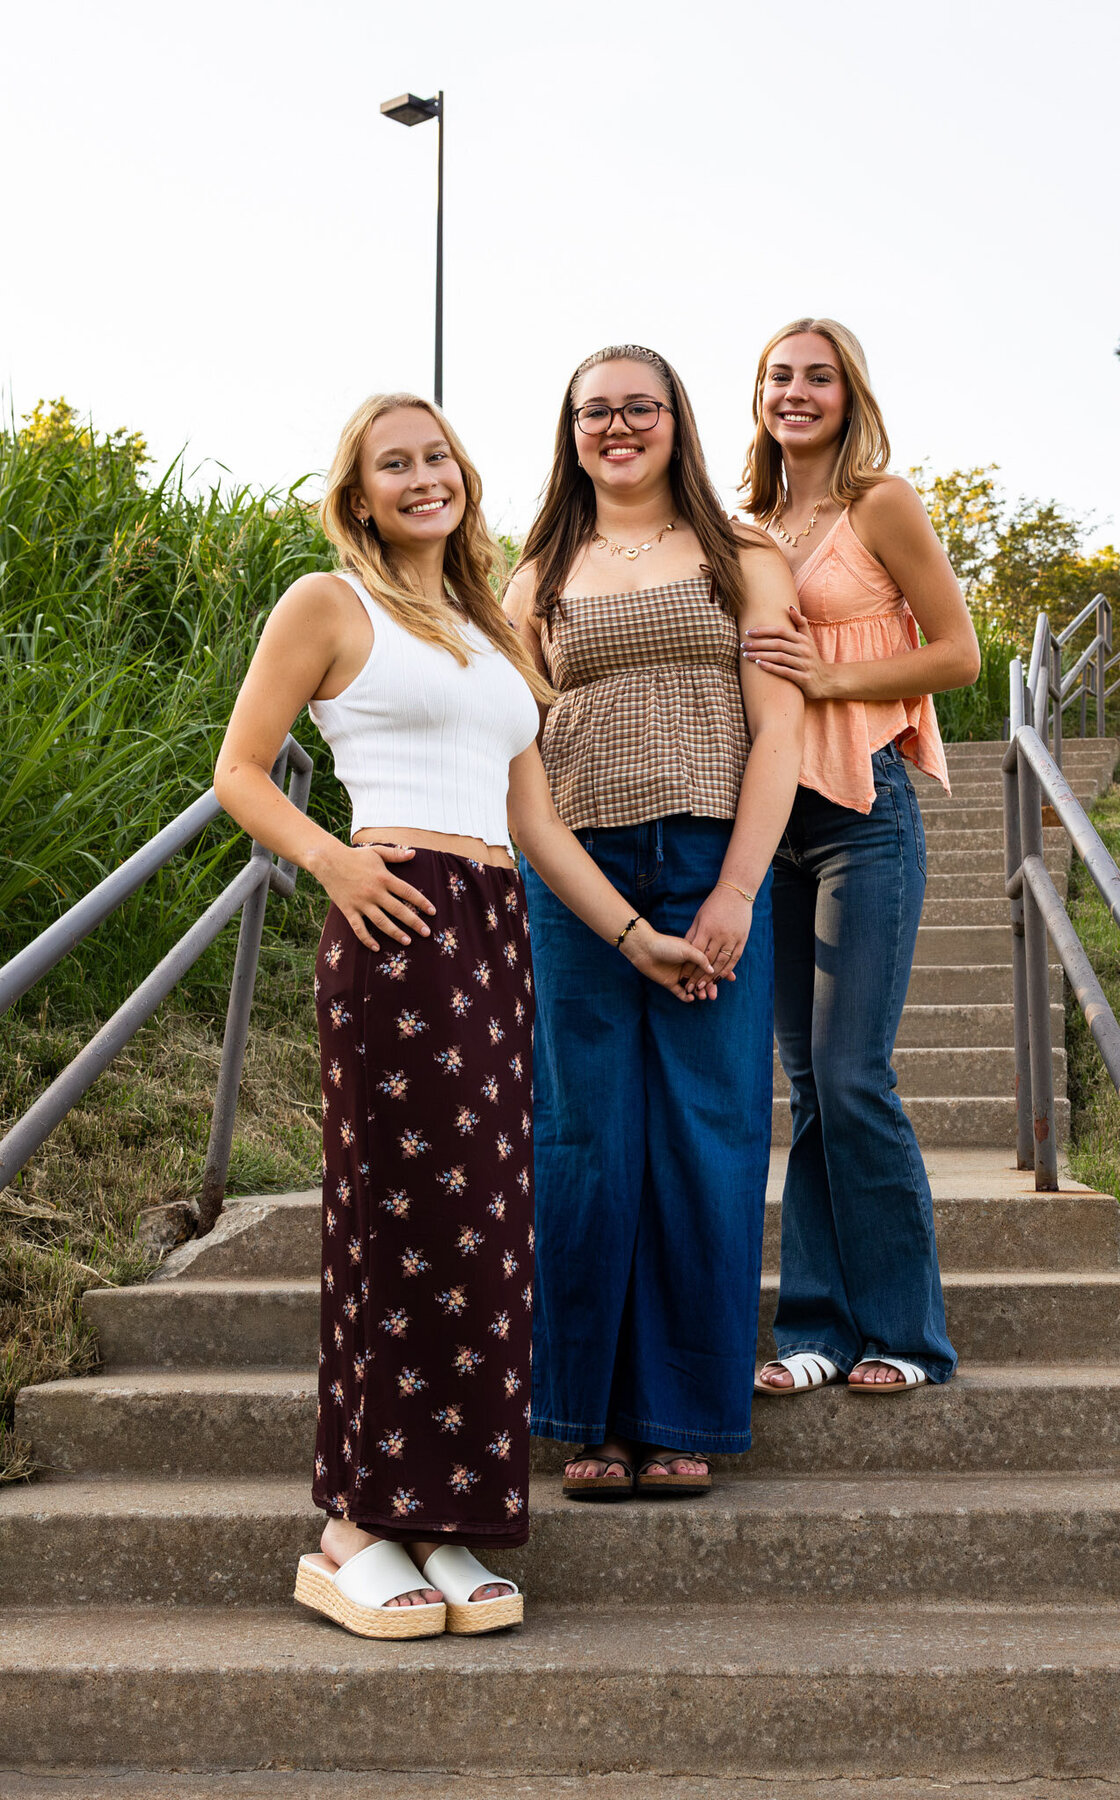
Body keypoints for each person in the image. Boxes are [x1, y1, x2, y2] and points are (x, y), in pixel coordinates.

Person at [214, 391, 709, 1639]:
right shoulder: (328, 604)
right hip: (394, 917)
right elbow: (238, 769)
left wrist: (635, 935)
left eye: (437, 456)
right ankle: (352, 1526)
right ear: (362, 490)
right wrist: (333, 863)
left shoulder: (494, 630)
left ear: (463, 476)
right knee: (402, 1217)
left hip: (492, 930)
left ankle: (437, 1519)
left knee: (485, 1227)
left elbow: (535, 822)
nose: (423, 477)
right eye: (396, 463)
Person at [505, 344, 803, 1497]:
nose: (616, 427)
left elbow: (776, 733)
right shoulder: (532, 573)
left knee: (706, 1136)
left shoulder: (743, 557)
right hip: (578, 873)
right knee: (585, 1137)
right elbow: (519, 756)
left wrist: (736, 889)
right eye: (594, 411)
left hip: (708, 855)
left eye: (640, 407)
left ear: (677, 420)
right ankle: (587, 1415)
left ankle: (683, 1415)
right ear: (569, 429)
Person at [737, 317, 980, 1395]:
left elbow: (959, 654)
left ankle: (907, 1336)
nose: (795, 392)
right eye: (778, 376)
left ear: (848, 394)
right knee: (806, 1085)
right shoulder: (744, 525)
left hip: (863, 806)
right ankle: (817, 1334)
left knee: (852, 1075)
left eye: (816, 377)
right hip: (767, 821)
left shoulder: (879, 503)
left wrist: (823, 679)